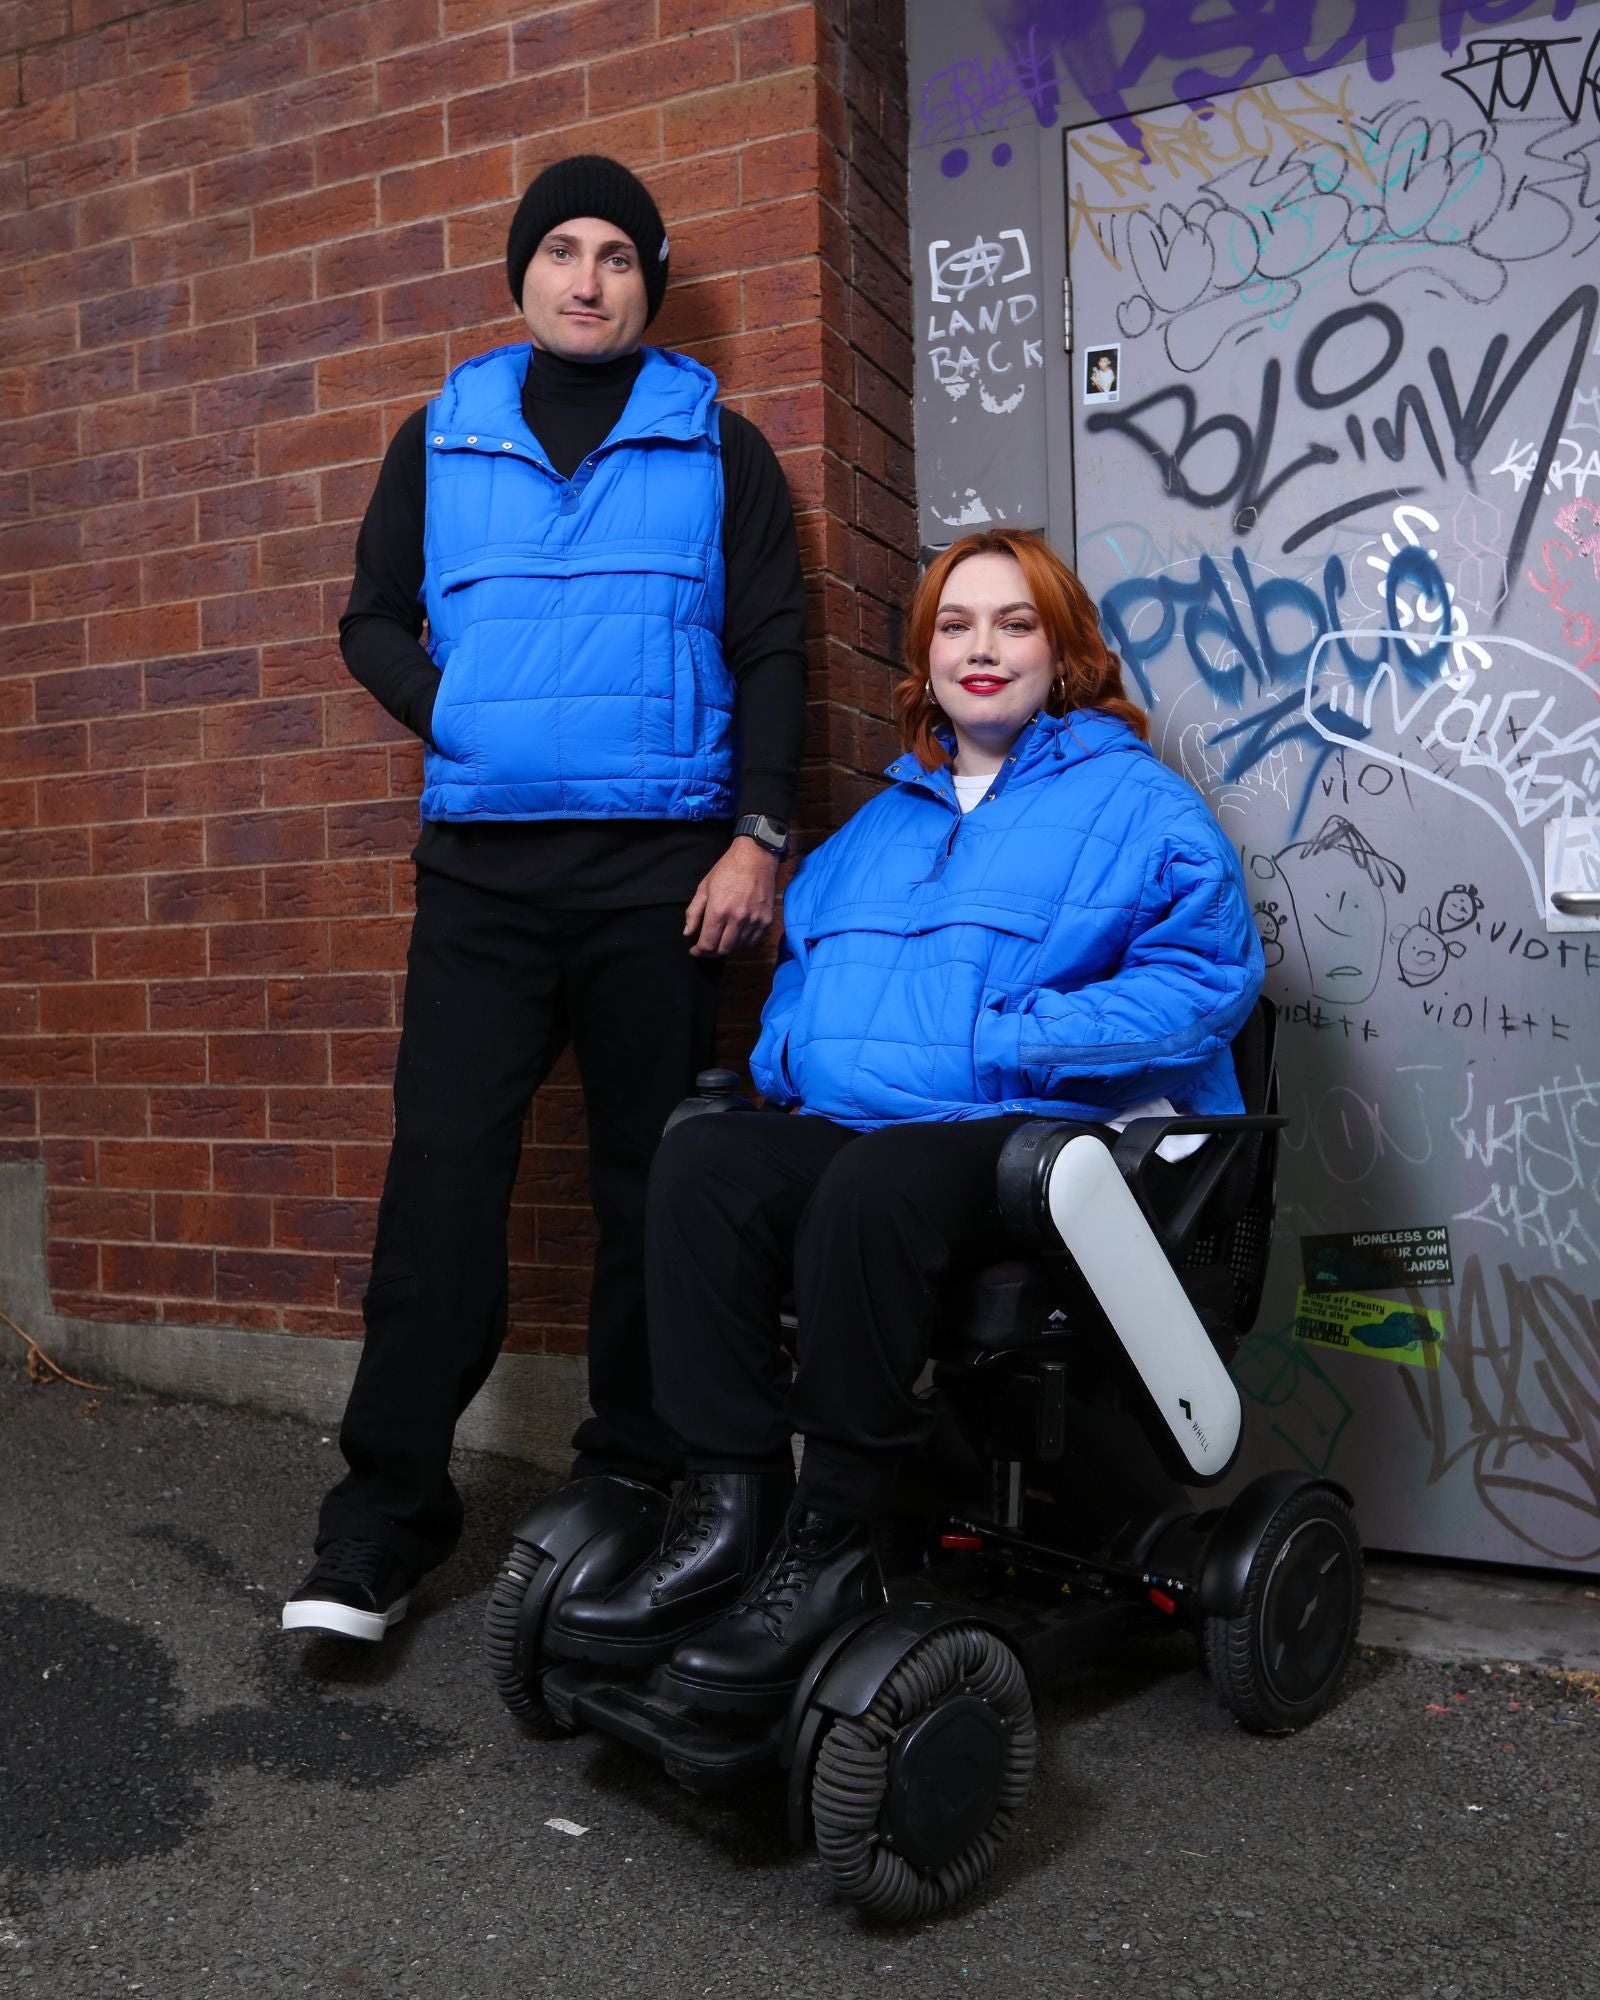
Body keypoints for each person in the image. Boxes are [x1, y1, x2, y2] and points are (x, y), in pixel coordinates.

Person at [548, 529, 1264, 1711]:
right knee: (705, 1157)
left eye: (1015, 622)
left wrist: (1006, 1037)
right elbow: (802, 981)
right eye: (955, 624)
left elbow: (1203, 983)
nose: (982, 648)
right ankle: (732, 1510)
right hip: (875, 1126)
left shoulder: (1140, 803)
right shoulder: (878, 822)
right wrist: (789, 1057)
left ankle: (837, 1541)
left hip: (1040, 1137)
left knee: (868, 1186)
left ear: (1065, 649)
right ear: (925, 655)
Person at [282, 156, 806, 1643]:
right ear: (520, 276)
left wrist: (758, 834)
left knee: (655, 1197)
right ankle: (376, 1528)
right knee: (440, 1190)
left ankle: (632, 1494)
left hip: (662, 882)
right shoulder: (438, 438)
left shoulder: (722, 447)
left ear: (651, 281)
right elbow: (368, 616)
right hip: (484, 884)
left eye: (620, 257)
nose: (589, 279)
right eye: (561, 252)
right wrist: (453, 713)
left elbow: (772, 643)